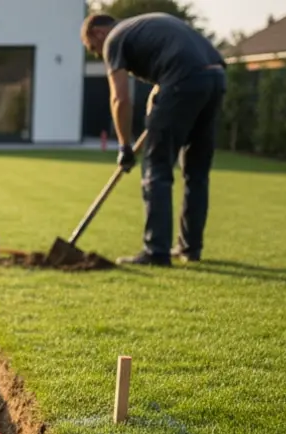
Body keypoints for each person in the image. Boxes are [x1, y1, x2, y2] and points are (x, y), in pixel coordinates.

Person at [81, 12, 227, 266]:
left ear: (98, 33)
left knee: (156, 169)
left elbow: (120, 99)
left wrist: (124, 146)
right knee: (196, 171)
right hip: (214, 78)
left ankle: (156, 251)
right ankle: (190, 248)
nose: (98, 54)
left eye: (94, 49)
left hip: (184, 80)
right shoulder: (145, 26)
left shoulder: (114, 39)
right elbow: (169, 68)